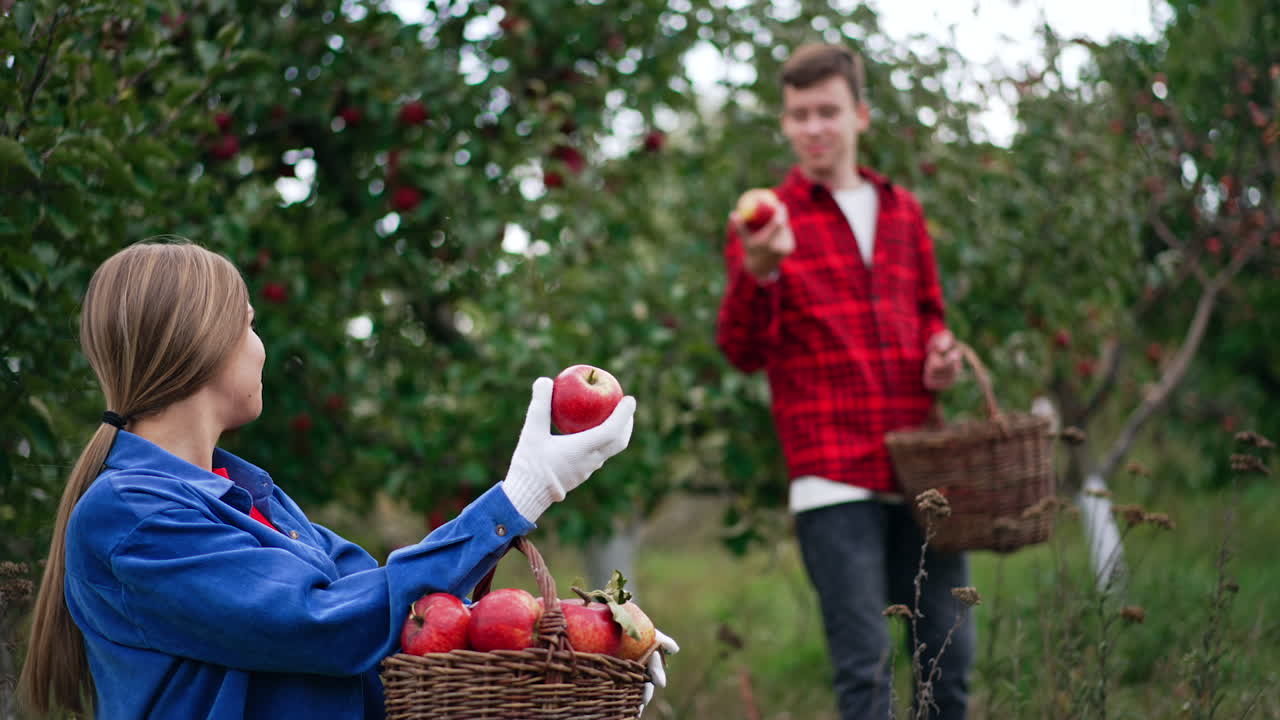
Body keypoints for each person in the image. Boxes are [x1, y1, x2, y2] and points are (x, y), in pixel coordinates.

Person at [18, 240, 675, 720]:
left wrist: (588, 641)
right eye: (249, 323)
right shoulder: (130, 515)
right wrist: (518, 498)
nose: (261, 345)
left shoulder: (253, 498)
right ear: (204, 343)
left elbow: (395, 614)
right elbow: (327, 627)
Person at [715, 44, 972, 719]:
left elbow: (930, 321)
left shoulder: (903, 211)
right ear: (786, 123)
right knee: (866, 673)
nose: (814, 128)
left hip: (921, 466)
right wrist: (759, 272)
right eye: (799, 115)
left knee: (947, 661)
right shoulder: (764, 222)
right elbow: (740, 349)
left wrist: (940, 357)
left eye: (828, 112)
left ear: (860, 115)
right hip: (833, 475)